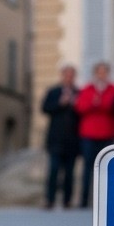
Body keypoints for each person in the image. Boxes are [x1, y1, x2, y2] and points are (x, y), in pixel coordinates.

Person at [73, 60, 114, 207]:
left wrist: (100, 104)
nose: (102, 75)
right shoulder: (87, 89)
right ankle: (84, 200)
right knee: (87, 168)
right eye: (99, 72)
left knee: (107, 168)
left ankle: (106, 200)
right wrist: (94, 103)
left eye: (104, 72)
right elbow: (80, 107)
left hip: (108, 133)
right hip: (89, 134)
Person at [40, 63, 81, 209]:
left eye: (71, 76)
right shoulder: (54, 91)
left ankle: (67, 200)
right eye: (67, 75)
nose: (69, 78)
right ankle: (49, 199)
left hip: (73, 139)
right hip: (56, 139)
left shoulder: (79, 92)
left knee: (70, 173)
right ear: (62, 76)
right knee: (53, 170)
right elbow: (45, 108)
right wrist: (60, 103)